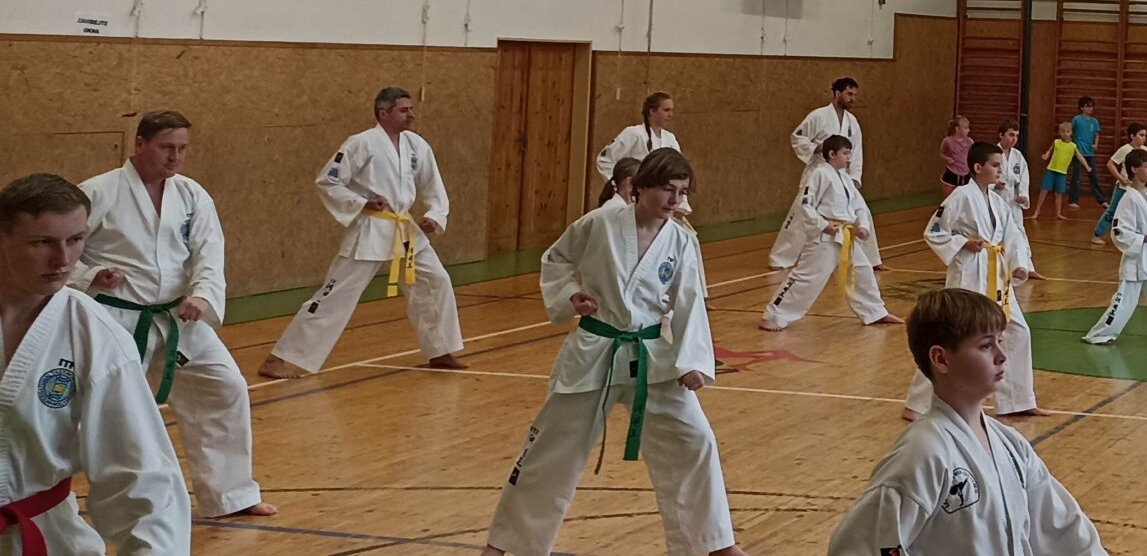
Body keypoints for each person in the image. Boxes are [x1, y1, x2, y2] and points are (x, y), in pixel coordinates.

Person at [482, 149, 743, 556]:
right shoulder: (600, 223)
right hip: (594, 351)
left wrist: (693, 361)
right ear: (641, 187)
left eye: (683, 192)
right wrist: (571, 294)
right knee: (550, 451)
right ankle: (507, 546)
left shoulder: (681, 239)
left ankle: (714, 545)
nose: (676, 201)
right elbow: (556, 258)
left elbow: (690, 301)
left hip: (653, 357)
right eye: (668, 190)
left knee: (695, 442)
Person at [73, 111, 275, 519]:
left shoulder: (191, 194)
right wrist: (91, 274)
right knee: (110, 412)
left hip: (180, 318)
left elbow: (209, 252)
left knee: (224, 387)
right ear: (139, 144)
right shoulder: (97, 192)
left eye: (182, 149)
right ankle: (113, 499)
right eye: (167, 147)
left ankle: (230, 495)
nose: (175, 157)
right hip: (118, 320)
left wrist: (202, 294)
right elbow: (63, 248)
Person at [828, 289, 1106, 554]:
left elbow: (1064, 531)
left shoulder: (1011, 445)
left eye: (1000, 341)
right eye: (985, 345)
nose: (1001, 356)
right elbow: (862, 546)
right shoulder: (923, 453)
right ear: (941, 359)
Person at [0, 173, 191, 554]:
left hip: (42, 537)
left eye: (75, 240)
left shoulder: (92, 331)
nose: (63, 260)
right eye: (42, 242)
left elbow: (140, 471)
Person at [261, 86, 467, 379]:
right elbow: (328, 181)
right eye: (404, 110)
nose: (411, 114)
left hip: (404, 228)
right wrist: (361, 202)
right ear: (384, 113)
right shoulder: (361, 143)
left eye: (411, 109)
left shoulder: (416, 145)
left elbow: (434, 186)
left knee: (436, 281)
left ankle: (440, 350)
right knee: (336, 295)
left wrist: (435, 215)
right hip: (371, 228)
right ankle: (278, 358)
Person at [903, 143, 1045, 420]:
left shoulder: (998, 201)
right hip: (970, 272)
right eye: (995, 165)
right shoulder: (960, 196)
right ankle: (916, 405)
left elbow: (1013, 234)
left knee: (1017, 331)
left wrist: (1019, 264)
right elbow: (934, 231)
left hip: (996, 274)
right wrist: (962, 242)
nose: (1000, 170)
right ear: (978, 167)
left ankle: (1017, 400)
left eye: (1001, 165)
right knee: (951, 335)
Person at [760, 136, 901, 331]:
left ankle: (875, 312)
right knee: (807, 278)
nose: (849, 157)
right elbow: (805, 205)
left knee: (862, 272)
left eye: (849, 153)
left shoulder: (844, 178)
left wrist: (863, 226)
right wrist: (823, 225)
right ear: (832, 154)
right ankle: (774, 315)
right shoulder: (819, 174)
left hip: (846, 235)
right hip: (825, 237)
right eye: (845, 153)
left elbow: (859, 205)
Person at [1082, 150, 1147, 344]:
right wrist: (1141, 239)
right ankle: (1100, 335)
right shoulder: (1128, 198)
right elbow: (1118, 230)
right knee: (1125, 301)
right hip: (1137, 258)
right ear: (1134, 169)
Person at [774, 77, 866, 269]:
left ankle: (870, 259)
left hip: (842, 176)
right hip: (819, 172)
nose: (852, 98)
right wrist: (817, 148)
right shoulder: (818, 116)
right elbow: (797, 137)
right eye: (849, 94)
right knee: (801, 214)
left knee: (858, 212)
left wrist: (855, 177)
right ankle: (780, 258)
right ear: (837, 93)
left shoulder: (852, 122)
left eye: (854, 95)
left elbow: (856, 152)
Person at [1090, 123, 1147, 245]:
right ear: (1132, 136)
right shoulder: (1125, 149)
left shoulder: (1146, 150)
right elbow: (1110, 164)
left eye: (1145, 135)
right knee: (1112, 211)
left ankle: (1145, 237)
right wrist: (1120, 178)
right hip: (1123, 188)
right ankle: (1097, 234)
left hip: (1139, 189)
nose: (1144, 138)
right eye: (1141, 135)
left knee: (1146, 211)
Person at [594, 92, 680, 180]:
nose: (671, 115)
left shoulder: (670, 138)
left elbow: (678, 168)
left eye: (671, 110)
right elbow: (604, 160)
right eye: (666, 110)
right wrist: (617, 183)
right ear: (652, 111)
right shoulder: (634, 133)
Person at [1031, 119, 1087, 221]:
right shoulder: (1056, 142)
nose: (1065, 134)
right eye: (1063, 131)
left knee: (1058, 193)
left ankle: (1058, 213)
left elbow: (1080, 157)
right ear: (1059, 133)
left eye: (1068, 131)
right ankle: (1037, 211)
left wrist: (1087, 166)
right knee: (1044, 190)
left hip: (1062, 173)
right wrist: (1046, 155)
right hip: (1051, 170)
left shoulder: (1073, 146)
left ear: (1071, 132)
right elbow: (1049, 151)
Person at [1066, 97, 1108, 209]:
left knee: (1094, 177)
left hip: (1090, 153)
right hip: (1078, 152)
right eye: (1087, 106)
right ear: (1082, 108)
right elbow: (1070, 132)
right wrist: (1071, 145)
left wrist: (1096, 144)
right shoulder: (1077, 119)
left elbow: (1097, 134)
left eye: (1091, 106)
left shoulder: (1094, 121)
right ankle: (1073, 200)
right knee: (1076, 177)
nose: (1090, 108)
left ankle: (1102, 200)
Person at [995, 121, 1030, 212]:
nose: (1014, 139)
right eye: (1011, 135)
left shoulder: (1018, 155)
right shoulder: (992, 153)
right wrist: (993, 184)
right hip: (996, 196)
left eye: (1016, 136)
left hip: (1013, 199)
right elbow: (984, 174)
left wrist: (1023, 194)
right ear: (1001, 135)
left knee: (1016, 221)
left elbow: (1024, 177)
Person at [938, 116, 973, 196]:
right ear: (957, 129)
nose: (968, 130)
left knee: (963, 197)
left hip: (965, 174)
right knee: (948, 198)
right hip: (952, 173)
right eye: (965, 128)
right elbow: (942, 153)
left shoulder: (970, 141)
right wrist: (946, 158)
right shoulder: (947, 141)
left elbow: (973, 156)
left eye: (968, 128)